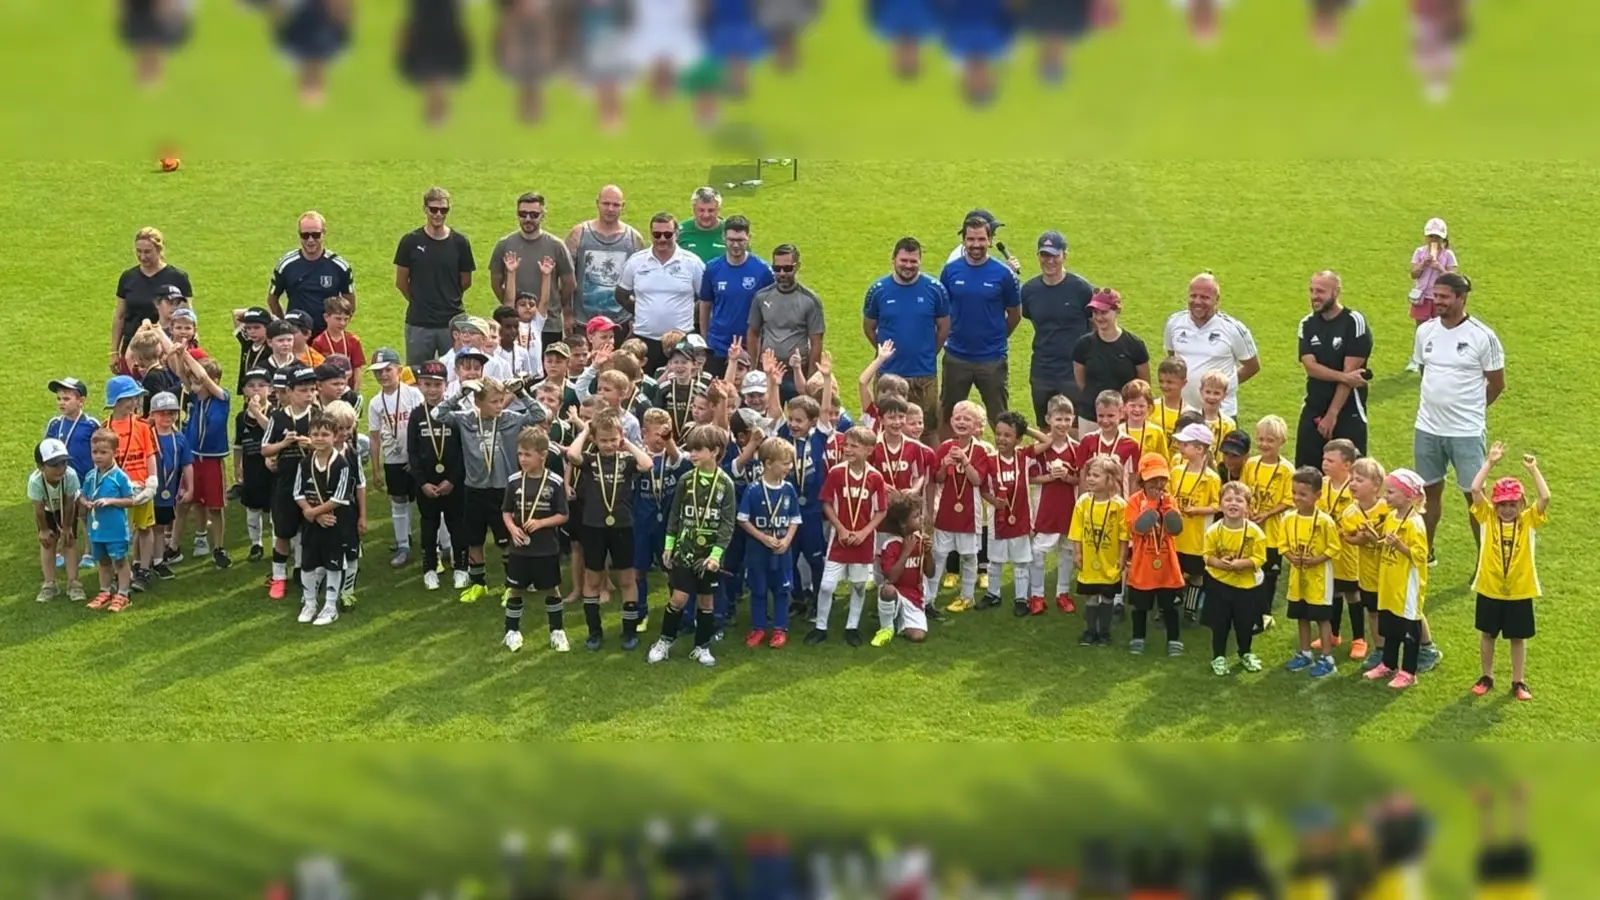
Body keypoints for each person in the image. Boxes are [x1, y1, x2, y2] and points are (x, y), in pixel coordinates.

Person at [1412, 272, 1504, 561]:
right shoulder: (1425, 331)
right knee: (1427, 493)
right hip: (1427, 428)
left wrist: (1472, 410)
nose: (1436, 301)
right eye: (1435, 296)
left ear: (1461, 298)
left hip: (1465, 431)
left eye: (1443, 297)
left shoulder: (1482, 336)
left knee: (1474, 496)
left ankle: (1485, 559)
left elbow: (1497, 383)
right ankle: (1424, 552)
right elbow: (1426, 371)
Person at [648, 424, 739, 667]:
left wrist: (716, 555)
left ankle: (702, 647)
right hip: (684, 551)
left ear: (715, 451)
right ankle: (664, 641)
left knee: (706, 602)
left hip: (709, 555)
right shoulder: (686, 480)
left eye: (699, 450)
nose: (693, 454)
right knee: (678, 598)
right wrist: (669, 547)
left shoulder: (725, 485)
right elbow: (675, 515)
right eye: (691, 449)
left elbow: (727, 524)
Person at [567, 409, 654, 650]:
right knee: (592, 577)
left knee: (627, 579)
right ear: (595, 439)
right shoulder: (590, 460)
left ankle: (629, 632)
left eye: (613, 439)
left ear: (620, 436)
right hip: (593, 526)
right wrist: (585, 431)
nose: (608, 445)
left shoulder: (626, 461)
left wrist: (627, 445)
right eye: (603, 440)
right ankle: (594, 632)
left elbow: (647, 463)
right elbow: (572, 455)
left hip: (623, 525)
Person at [1468, 444, 1548, 702]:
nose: (1507, 510)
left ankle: (1518, 680)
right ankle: (1486, 676)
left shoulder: (1528, 520)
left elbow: (1545, 498)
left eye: (1512, 504)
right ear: (1494, 504)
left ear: (1521, 504)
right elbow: (1475, 489)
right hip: (1490, 588)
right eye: (1502, 504)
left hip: (1519, 590)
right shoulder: (1487, 516)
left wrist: (1533, 469)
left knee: (1517, 637)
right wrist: (1490, 463)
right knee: (1487, 634)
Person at [862, 237, 950, 444]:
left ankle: (931, 475)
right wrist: (883, 354)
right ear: (893, 260)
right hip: (889, 374)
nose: (908, 266)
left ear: (920, 260)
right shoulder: (878, 290)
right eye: (904, 260)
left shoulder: (935, 289)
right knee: (884, 426)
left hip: (924, 375)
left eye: (913, 261)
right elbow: (869, 327)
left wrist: (928, 352)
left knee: (927, 428)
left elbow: (944, 327)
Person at [939, 215, 1021, 435]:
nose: (976, 245)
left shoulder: (1004, 274)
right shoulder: (950, 271)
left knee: (1000, 419)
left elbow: (1014, 314)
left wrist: (996, 338)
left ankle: (1004, 465)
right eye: (971, 239)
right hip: (957, 356)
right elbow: (942, 311)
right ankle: (947, 464)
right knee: (948, 417)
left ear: (991, 240)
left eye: (981, 239)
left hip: (992, 359)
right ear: (964, 240)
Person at [807, 427, 889, 646]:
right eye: (847, 445)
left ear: (869, 450)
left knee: (859, 585)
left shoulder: (875, 477)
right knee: (826, 586)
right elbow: (826, 502)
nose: (848, 449)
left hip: (863, 542)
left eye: (854, 446)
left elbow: (881, 510)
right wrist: (841, 529)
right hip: (839, 540)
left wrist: (863, 533)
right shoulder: (836, 472)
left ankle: (852, 626)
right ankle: (820, 626)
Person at [502, 427, 571, 652]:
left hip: (546, 548)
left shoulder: (555, 482)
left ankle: (557, 631)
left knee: (551, 588)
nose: (522, 459)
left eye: (527, 454)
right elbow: (506, 511)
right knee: (515, 589)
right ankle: (511, 631)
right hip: (519, 548)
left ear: (542, 454)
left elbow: (563, 515)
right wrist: (512, 528)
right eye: (520, 454)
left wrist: (541, 523)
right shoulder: (514, 481)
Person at [1296, 271, 1373, 468]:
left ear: (1336, 292)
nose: (1314, 296)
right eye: (1312, 290)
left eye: (1320, 291)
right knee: (1306, 475)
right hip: (1314, 407)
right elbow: (1311, 367)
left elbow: (1351, 369)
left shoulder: (1354, 322)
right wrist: (1345, 377)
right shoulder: (1307, 324)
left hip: (1348, 411)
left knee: (1350, 476)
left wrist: (1332, 414)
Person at [395, 187, 477, 364]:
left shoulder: (460, 242)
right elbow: (401, 281)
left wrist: (447, 296)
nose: (438, 214)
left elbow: (466, 280)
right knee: (416, 376)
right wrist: (418, 299)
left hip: (453, 322)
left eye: (443, 210)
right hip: (419, 322)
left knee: (458, 372)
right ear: (425, 209)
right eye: (433, 209)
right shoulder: (410, 241)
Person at [1022, 229, 1094, 426]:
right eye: (1044, 255)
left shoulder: (1081, 289)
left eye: (1054, 255)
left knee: (1075, 427)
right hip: (1042, 371)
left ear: (1064, 256)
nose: (1049, 261)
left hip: (1073, 372)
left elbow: (1096, 323)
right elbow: (1030, 317)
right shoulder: (1029, 291)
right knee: (1045, 426)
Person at [406, 360, 468, 591]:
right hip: (426, 485)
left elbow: (464, 451)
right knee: (428, 526)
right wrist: (422, 483)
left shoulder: (456, 413)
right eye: (427, 384)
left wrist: (452, 480)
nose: (432, 389)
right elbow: (412, 453)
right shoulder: (416, 415)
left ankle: (461, 567)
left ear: (446, 385)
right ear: (420, 385)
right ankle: (430, 568)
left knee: (457, 525)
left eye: (437, 385)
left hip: (453, 483)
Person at [1366, 469, 1430, 689]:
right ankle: (1389, 664)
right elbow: (1387, 542)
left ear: (1408, 496)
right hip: (1389, 582)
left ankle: (1409, 671)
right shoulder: (1393, 517)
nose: (1386, 497)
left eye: (1391, 492)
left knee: (1409, 628)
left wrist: (1400, 546)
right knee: (1391, 624)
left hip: (1407, 585)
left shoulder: (1415, 524)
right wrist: (1376, 539)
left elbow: (1421, 555)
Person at [1162, 272, 1260, 418]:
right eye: (1193, 296)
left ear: (1217, 300)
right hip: (1184, 413)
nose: (1197, 301)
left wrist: (1222, 386)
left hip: (1221, 414)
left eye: (1205, 297)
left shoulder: (1232, 329)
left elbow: (1252, 366)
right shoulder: (1174, 323)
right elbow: (1172, 359)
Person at [617, 213, 705, 371]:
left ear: (676, 234)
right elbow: (621, 295)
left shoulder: (692, 263)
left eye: (668, 234)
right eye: (657, 234)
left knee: (680, 387)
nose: (662, 239)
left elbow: (705, 299)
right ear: (651, 234)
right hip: (644, 339)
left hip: (681, 340)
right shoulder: (636, 262)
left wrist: (688, 314)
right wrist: (640, 312)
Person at [926, 399, 992, 612]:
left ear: (975, 426)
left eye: (967, 419)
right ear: (951, 421)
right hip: (946, 510)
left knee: (969, 555)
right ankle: (929, 598)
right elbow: (937, 478)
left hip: (969, 512)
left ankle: (967, 596)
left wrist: (964, 461)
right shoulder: (945, 447)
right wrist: (945, 465)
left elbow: (977, 480)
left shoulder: (980, 451)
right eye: (958, 418)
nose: (962, 422)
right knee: (939, 554)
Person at [491, 191, 577, 349]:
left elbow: (569, 283)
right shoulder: (505, 245)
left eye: (533, 214)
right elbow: (496, 282)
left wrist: (556, 303)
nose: (528, 219)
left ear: (542, 215)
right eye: (523, 214)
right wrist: (510, 306)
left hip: (549, 325)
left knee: (550, 368)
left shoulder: (556, 246)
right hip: (514, 326)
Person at [262, 365, 318, 599]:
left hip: (312, 484)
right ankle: (278, 577)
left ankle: (303, 572)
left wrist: (311, 445)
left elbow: (332, 446)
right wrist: (284, 444)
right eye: (303, 390)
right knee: (283, 533)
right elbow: (265, 449)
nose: (309, 395)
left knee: (309, 531)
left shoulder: (317, 415)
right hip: (285, 484)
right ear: (290, 391)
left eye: (312, 390)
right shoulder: (278, 417)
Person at [739, 437, 802, 648]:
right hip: (758, 551)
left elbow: (795, 519)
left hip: (782, 551)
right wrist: (763, 537)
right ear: (767, 463)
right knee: (758, 590)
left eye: (790, 463)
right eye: (785, 463)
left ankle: (779, 629)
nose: (789, 467)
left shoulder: (789, 490)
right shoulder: (753, 490)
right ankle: (758, 628)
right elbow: (743, 519)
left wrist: (787, 540)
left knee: (782, 590)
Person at [367, 349, 425, 567]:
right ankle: (403, 544)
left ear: (399, 371)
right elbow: (374, 437)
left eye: (387, 370)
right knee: (398, 499)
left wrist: (418, 456)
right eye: (378, 372)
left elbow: (422, 426)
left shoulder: (413, 394)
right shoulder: (375, 403)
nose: (382, 375)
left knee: (424, 499)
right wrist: (375, 469)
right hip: (393, 458)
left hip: (416, 457)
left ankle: (440, 544)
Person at [1281, 467, 1341, 679]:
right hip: (1298, 577)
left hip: (1319, 579)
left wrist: (1316, 560)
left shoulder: (1325, 521)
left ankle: (1327, 658)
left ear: (1317, 496)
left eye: (1303, 494)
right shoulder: (1288, 518)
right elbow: (1282, 544)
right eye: (1295, 492)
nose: (1297, 497)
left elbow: (1334, 547)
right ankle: (1305, 652)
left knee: (1321, 618)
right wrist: (1291, 557)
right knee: (1301, 615)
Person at [1124, 452, 1186, 657]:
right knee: (1140, 607)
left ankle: (1174, 639)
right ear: (1142, 478)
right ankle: (1138, 637)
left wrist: (1168, 509)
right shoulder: (1134, 501)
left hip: (1167, 564)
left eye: (1162, 478)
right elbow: (1138, 528)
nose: (1158, 483)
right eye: (1153, 478)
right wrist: (1151, 505)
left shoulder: (1170, 500)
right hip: (1143, 565)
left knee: (1170, 607)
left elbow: (1175, 529)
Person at [1203, 482, 1267, 676]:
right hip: (1219, 584)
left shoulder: (1255, 532)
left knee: (1245, 623)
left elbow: (1260, 558)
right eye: (1228, 499)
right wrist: (1219, 563)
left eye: (1239, 500)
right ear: (1221, 505)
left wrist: (1243, 563)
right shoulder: (1213, 531)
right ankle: (1219, 656)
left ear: (1248, 507)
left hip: (1246, 587)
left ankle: (1245, 652)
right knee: (1220, 623)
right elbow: (1206, 555)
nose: (1233, 504)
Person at [699, 215, 774, 378]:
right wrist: (705, 338)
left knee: (750, 396)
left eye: (740, 240)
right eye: (731, 239)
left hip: (750, 347)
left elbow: (772, 308)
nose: (735, 245)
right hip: (718, 346)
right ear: (723, 238)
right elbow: (705, 304)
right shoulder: (712, 268)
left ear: (749, 238)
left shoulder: (763, 271)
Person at [747, 244, 825, 399]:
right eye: (777, 268)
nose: (782, 273)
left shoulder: (810, 300)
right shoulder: (761, 297)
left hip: (796, 373)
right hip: (768, 371)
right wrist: (754, 368)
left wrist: (810, 375)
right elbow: (753, 333)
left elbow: (816, 341)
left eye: (787, 268)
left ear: (797, 267)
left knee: (800, 419)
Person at [567, 185, 647, 331]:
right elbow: (566, 278)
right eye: (606, 203)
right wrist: (567, 314)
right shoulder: (579, 234)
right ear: (597, 203)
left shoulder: (634, 239)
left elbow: (641, 283)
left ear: (623, 206)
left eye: (616, 205)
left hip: (621, 323)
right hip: (583, 322)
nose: (610, 209)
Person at [113, 227, 192, 374]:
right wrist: (114, 352)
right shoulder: (128, 278)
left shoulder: (178, 278)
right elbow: (120, 316)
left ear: (159, 249)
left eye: (147, 252)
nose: (142, 256)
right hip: (133, 347)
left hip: (164, 349)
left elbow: (188, 316)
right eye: (139, 251)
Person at [1072, 288, 1150, 433]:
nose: (1099, 317)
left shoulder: (1134, 345)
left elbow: (1143, 384)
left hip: (1124, 418)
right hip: (1090, 415)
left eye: (1104, 312)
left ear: (1117, 311)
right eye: (1095, 312)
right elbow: (1080, 379)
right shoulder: (1083, 345)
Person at [983, 411, 1038, 617]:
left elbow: (1048, 440)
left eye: (1007, 435)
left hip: (1020, 518)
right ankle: (993, 594)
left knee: (1021, 561)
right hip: (997, 520)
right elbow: (983, 488)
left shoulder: (1024, 456)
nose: (1001, 439)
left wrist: (1025, 428)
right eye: (998, 434)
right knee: (995, 561)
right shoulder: (989, 460)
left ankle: (1021, 598)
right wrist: (993, 501)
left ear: (1018, 438)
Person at [1069, 457, 1127, 648]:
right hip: (1089, 560)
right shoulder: (1083, 502)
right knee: (1091, 596)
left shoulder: (1119, 505)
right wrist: (1077, 553)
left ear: (1110, 479)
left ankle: (1104, 632)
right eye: (1089, 475)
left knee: (1108, 596)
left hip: (1109, 561)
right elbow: (1076, 531)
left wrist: (1121, 558)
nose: (1091, 479)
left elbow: (1123, 537)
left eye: (1096, 475)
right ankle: (1090, 631)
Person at [268, 211, 355, 337]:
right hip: (297, 337)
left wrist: (337, 328)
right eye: (305, 235)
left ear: (324, 233)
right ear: (299, 234)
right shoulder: (286, 265)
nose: (310, 240)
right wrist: (285, 325)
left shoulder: (339, 266)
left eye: (315, 235)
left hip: (327, 338)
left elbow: (349, 304)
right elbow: (272, 300)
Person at [1031, 395, 1079, 613]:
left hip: (1069, 509)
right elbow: (1029, 476)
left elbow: (1082, 478)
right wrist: (1050, 477)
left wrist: (1068, 477)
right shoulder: (1039, 448)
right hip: (1045, 508)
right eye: (1058, 419)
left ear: (1073, 419)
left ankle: (1062, 592)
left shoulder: (1077, 448)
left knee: (1067, 551)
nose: (1063, 424)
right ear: (1048, 419)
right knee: (1038, 551)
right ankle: (1037, 595)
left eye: (1067, 419)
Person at [1318, 439, 1366, 659]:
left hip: (1349, 551)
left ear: (1347, 465)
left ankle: (1359, 639)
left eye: (1330, 460)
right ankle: (1334, 634)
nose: (1325, 463)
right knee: (1333, 591)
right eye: (1324, 459)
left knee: (1352, 594)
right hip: (1328, 549)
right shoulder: (1323, 484)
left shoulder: (1353, 489)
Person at [82, 428, 137, 611]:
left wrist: (111, 501)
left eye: (103, 452)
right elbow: (82, 495)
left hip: (116, 530)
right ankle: (105, 591)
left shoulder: (120, 477)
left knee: (120, 561)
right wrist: (86, 502)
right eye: (94, 452)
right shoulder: (91, 476)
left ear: (115, 452)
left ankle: (123, 594)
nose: (98, 457)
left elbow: (131, 501)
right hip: (97, 530)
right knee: (103, 561)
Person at [397, 0, 472, 126]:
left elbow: (465, 35)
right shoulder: (458, 72)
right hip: (433, 11)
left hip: (432, 10)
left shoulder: (458, 72)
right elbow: (403, 35)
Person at [875, 493, 933, 645]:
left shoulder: (921, 541)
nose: (921, 518)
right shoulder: (890, 544)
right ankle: (886, 627)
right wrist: (906, 552)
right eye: (916, 516)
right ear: (902, 523)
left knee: (918, 636)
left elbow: (931, 573)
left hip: (914, 596)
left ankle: (900, 620)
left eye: (920, 514)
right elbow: (892, 578)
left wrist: (928, 554)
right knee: (887, 590)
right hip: (896, 592)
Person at [146, 392, 193, 581]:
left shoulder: (179, 438)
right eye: (162, 413)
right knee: (142, 528)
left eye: (171, 413)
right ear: (153, 414)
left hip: (167, 492)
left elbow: (187, 464)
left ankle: (158, 561)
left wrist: (190, 488)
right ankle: (140, 562)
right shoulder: (146, 436)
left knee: (159, 529)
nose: (167, 417)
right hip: (147, 491)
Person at [31, 438, 83, 603]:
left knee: (69, 541)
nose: (60, 469)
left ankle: (73, 582)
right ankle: (49, 584)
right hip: (46, 511)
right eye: (54, 465)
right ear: (41, 467)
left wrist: (67, 526)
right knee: (47, 543)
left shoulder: (70, 475)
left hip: (66, 509)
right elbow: (38, 509)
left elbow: (70, 502)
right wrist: (44, 530)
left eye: (63, 463)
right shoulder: (35, 481)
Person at [1405, 218, 1458, 370]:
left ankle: (1439, 357)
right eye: (1431, 237)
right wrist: (1423, 264)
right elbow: (1414, 274)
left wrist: (1439, 268)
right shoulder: (1420, 252)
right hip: (1422, 297)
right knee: (1420, 328)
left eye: (1437, 237)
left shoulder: (1448, 255)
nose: (1433, 240)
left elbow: (1453, 278)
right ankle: (1417, 358)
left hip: (1439, 298)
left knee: (1441, 327)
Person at [233, 369, 274, 563]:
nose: (256, 389)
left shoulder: (276, 412)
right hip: (251, 467)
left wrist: (257, 412)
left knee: (275, 508)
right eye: (251, 386)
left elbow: (271, 430)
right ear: (244, 390)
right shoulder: (241, 417)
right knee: (252, 508)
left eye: (261, 385)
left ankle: (277, 543)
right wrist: (237, 465)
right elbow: (238, 443)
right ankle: (255, 544)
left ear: (270, 389)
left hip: (273, 468)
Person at [311, 296, 366, 392]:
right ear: (326, 317)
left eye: (346, 319)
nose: (342, 323)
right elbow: (317, 371)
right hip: (328, 391)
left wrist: (356, 392)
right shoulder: (318, 342)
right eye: (338, 318)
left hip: (348, 390)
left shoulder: (353, 340)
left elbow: (358, 370)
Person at [678, 186, 728, 262]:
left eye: (711, 210)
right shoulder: (679, 231)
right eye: (701, 210)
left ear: (718, 210)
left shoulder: (731, 231)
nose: (706, 215)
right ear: (693, 209)